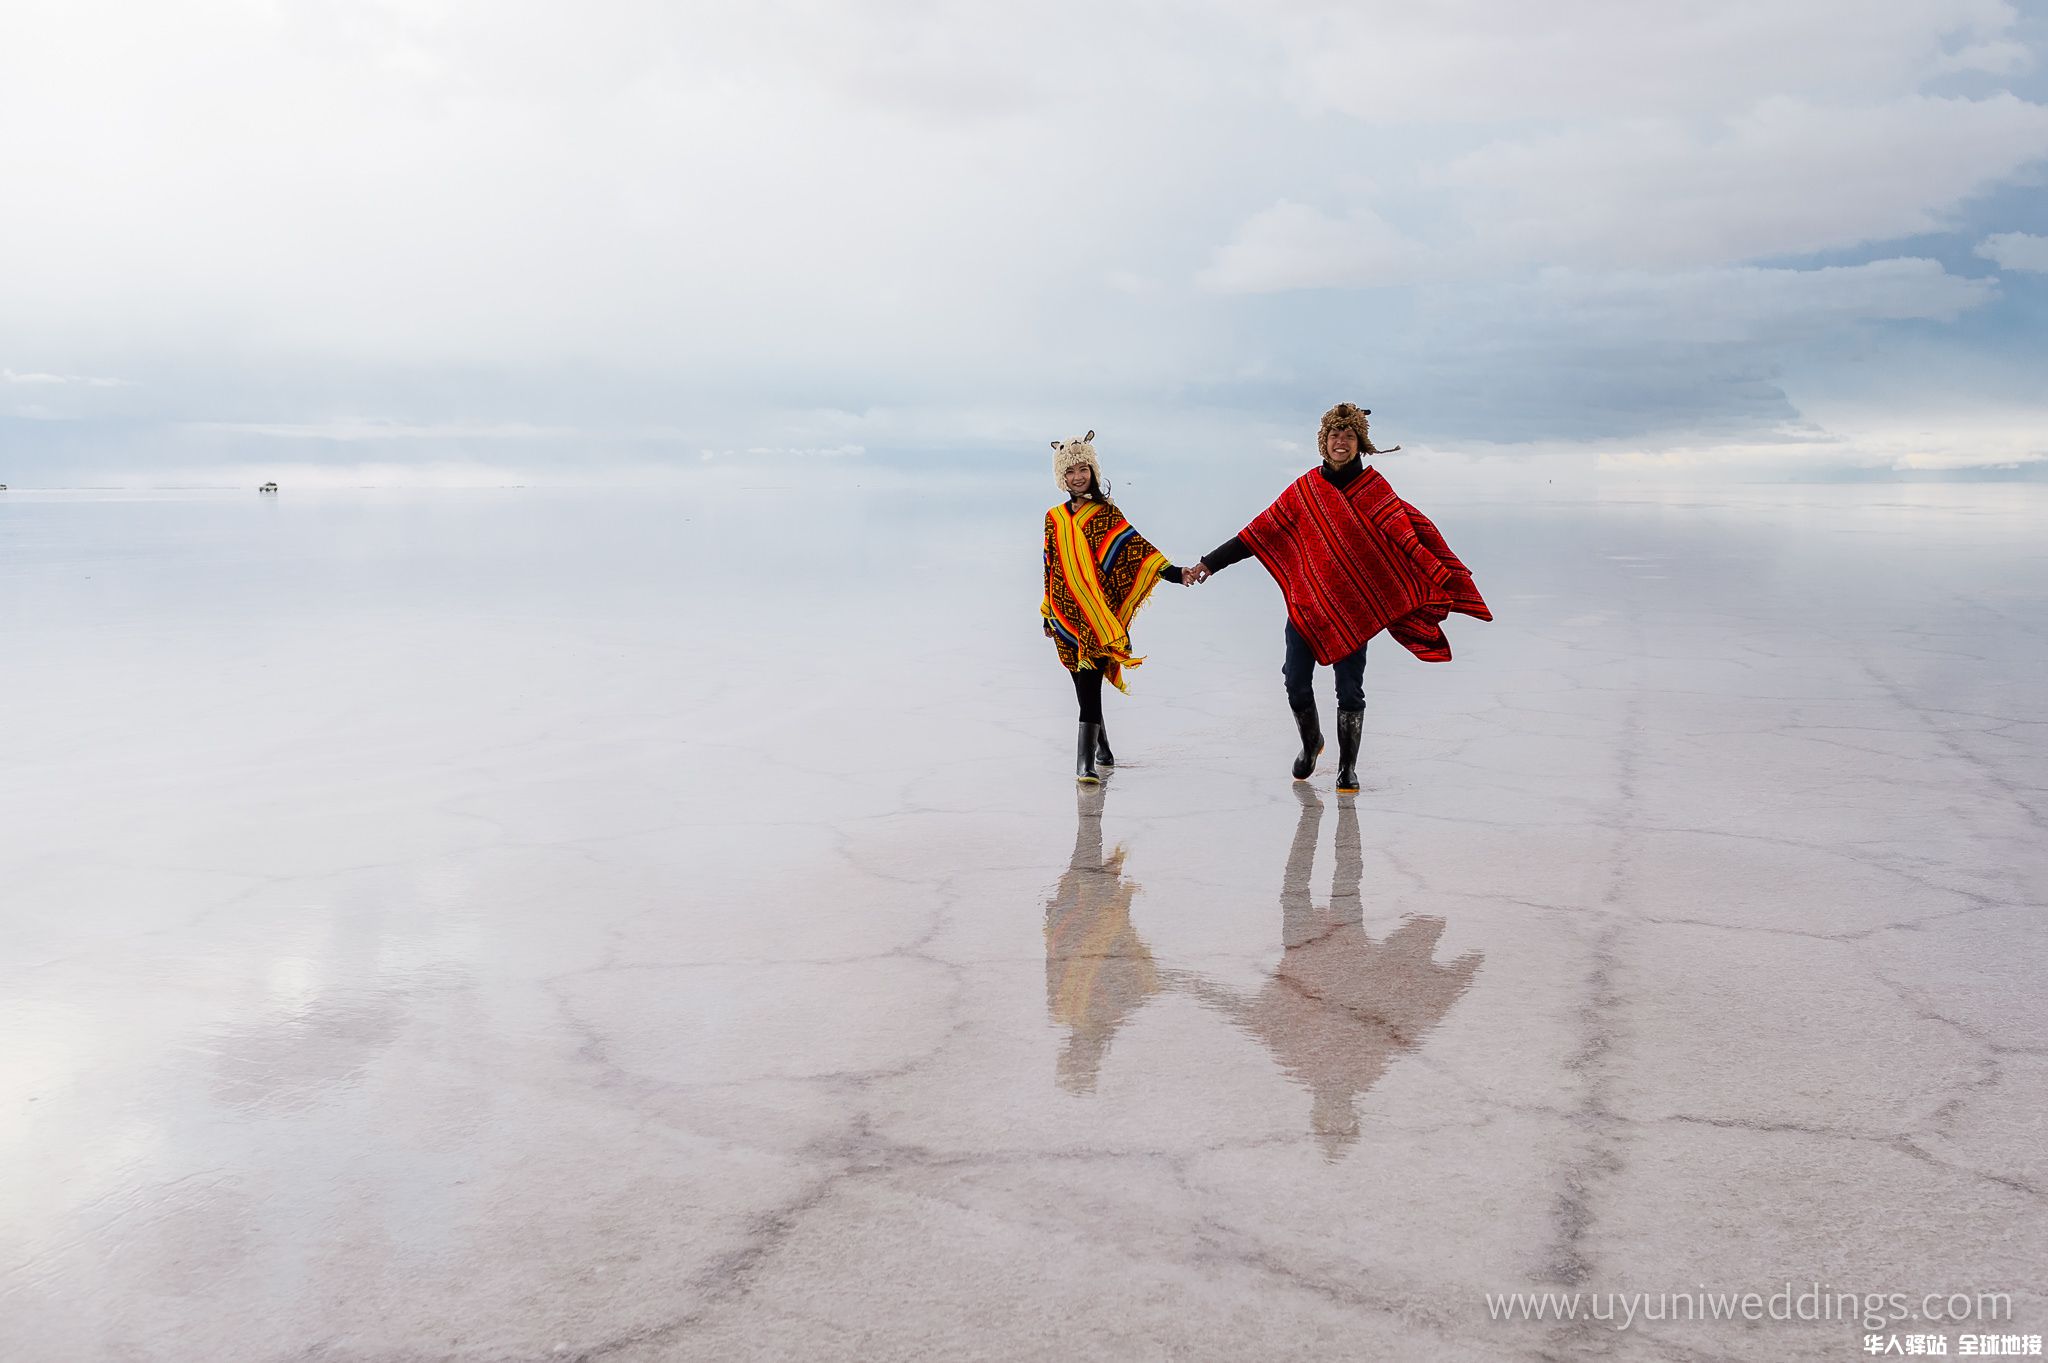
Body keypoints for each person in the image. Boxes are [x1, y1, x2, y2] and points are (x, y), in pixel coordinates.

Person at [1185, 403, 1489, 794]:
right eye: (1334, 435)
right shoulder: (1305, 490)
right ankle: (1311, 744)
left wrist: (1438, 574)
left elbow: (1409, 537)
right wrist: (1209, 564)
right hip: (1307, 606)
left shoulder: (1375, 491)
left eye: (1348, 435)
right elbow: (1255, 534)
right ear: (1323, 442)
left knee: (1349, 690)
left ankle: (1347, 768)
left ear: (1360, 443)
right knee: (1295, 681)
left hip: (1355, 610)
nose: (1340, 442)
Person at [1041, 431, 1192, 783]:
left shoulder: (1106, 514)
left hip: (1096, 615)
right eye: (1070, 471)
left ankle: (1085, 764)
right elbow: (1050, 566)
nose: (1078, 477)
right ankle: (1103, 748)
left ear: (1093, 471)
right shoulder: (1054, 518)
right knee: (1083, 686)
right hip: (1065, 613)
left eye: (1084, 469)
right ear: (1060, 477)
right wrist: (1048, 613)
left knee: (1090, 682)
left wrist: (1174, 573)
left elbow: (1135, 548)